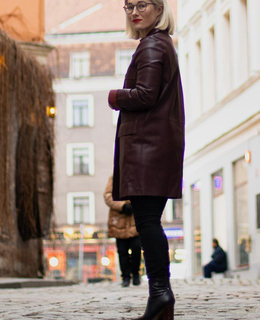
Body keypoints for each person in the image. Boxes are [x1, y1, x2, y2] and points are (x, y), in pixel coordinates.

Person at [107, 0, 184, 318]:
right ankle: (160, 296)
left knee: (148, 223)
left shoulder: (152, 45)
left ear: (159, 8)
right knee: (150, 222)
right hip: (153, 146)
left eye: (143, 4)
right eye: (129, 6)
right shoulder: (159, 44)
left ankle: (161, 294)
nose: (135, 11)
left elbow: (145, 94)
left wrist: (114, 96)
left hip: (146, 148)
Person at [104, 175, 141, 287]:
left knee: (136, 249)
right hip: (119, 220)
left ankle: (135, 273)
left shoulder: (136, 176)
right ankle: (125, 276)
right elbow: (107, 196)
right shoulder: (114, 177)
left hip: (134, 220)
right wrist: (122, 206)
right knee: (122, 252)